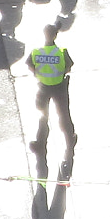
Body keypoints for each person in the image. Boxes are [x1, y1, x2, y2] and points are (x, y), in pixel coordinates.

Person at [27, 23, 77, 158]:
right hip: (59, 87)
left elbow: (30, 65)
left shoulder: (37, 52)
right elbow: (69, 66)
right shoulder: (62, 51)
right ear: (55, 36)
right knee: (64, 115)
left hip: (43, 88)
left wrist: (39, 74)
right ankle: (70, 139)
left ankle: (40, 143)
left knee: (43, 116)